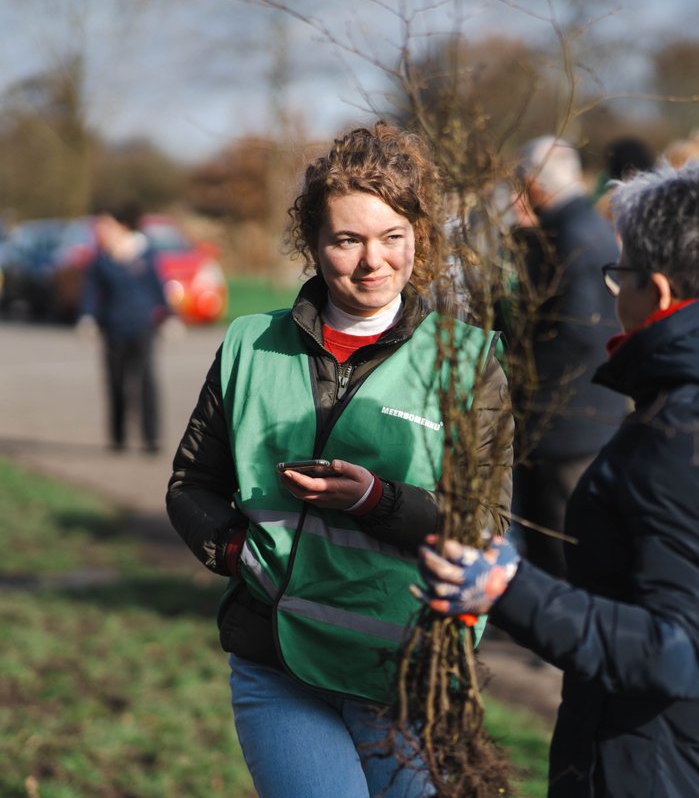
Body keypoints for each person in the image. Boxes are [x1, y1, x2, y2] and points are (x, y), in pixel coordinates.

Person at [417, 164, 699, 797]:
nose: (611, 295)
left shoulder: (693, 433)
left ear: (656, 290)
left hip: (669, 772)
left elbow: (675, 651)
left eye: (618, 276)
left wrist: (508, 588)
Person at [165, 123, 513, 798]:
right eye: (347, 239)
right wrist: (236, 552)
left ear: (420, 238)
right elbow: (191, 486)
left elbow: (485, 526)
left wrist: (374, 501)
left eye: (392, 238)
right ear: (313, 243)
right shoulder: (249, 345)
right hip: (277, 660)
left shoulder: (468, 364)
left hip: (404, 674)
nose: (372, 261)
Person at [508, 136, 628, 579]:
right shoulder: (585, 225)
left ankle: (563, 637)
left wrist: (517, 378)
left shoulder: (569, 235)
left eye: (523, 181)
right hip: (585, 410)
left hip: (566, 418)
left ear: (536, 184)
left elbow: (576, 330)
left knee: (559, 541)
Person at [77, 202, 169, 454]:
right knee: (116, 383)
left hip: (142, 326)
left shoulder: (145, 253)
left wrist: (169, 315)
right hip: (113, 328)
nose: (101, 229)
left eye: (106, 224)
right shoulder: (101, 259)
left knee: (146, 382)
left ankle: (152, 439)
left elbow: (157, 286)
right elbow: (91, 292)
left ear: (121, 225)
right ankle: (118, 438)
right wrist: (88, 317)